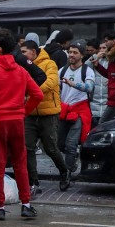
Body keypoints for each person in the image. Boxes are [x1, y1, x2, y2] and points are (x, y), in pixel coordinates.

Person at [0, 29, 43, 221]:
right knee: (21, 163)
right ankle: (26, 205)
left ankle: (0, 207)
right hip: (16, 121)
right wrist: (23, 111)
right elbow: (37, 94)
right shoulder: (21, 70)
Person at [20, 39, 71, 193]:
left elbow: (51, 83)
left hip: (48, 113)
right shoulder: (23, 66)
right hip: (29, 113)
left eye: (24, 52)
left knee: (50, 148)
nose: (21, 55)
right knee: (27, 147)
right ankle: (34, 182)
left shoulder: (50, 64)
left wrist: (30, 94)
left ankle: (64, 171)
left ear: (33, 52)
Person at [57, 44, 95, 175]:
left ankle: (66, 175)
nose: (71, 55)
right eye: (70, 52)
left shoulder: (87, 71)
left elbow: (89, 88)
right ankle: (72, 163)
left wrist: (72, 84)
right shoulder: (62, 70)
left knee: (71, 144)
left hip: (79, 111)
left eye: (75, 52)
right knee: (59, 144)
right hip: (64, 111)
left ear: (82, 55)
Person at [85, 41, 110, 127]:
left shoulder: (112, 60)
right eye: (100, 48)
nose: (102, 50)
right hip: (94, 102)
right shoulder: (95, 60)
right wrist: (96, 56)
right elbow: (84, 67)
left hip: (107, 102)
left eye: (104, 48)